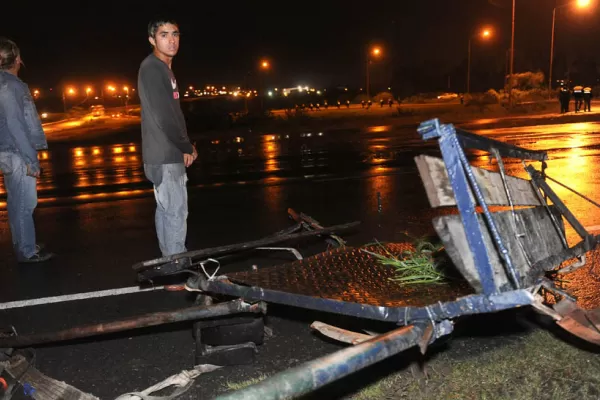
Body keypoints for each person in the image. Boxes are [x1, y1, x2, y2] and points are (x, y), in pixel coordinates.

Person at [137, 19, 197, 259]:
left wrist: (184, 144)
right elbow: (164, 116)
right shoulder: (152, 68)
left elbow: (174, 113)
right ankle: (175, 269)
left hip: (165, 153)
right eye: (164, 35)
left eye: (175, 34)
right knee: (174, 211)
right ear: (152, 39)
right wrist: (186, 146)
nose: (172, 40)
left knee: (166, 210)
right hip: (164, 154)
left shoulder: (163, 69)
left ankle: (169, 263)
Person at [0, 38, 53, 262]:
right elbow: (16, 124)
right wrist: (32, 160)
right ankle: (27, 251)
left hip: (7, 150)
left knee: (17, 200)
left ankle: (23, 242)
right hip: (16, 152)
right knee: (25, 202)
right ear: (18, 59)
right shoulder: (11, 85)